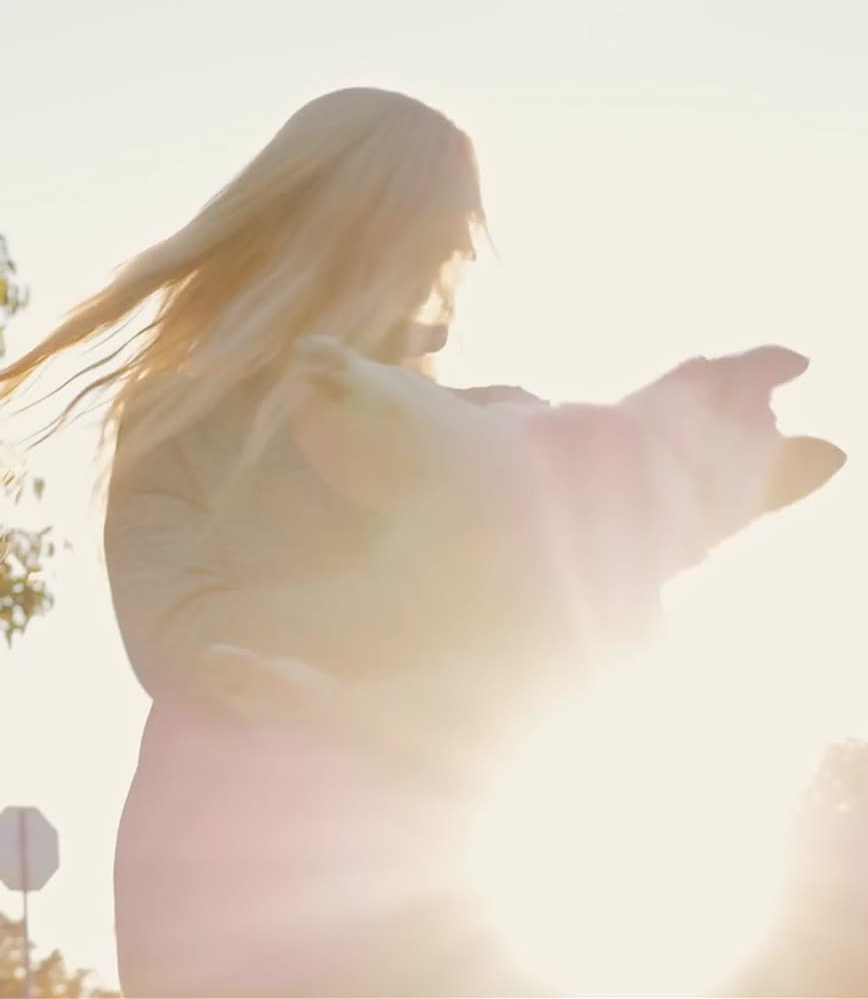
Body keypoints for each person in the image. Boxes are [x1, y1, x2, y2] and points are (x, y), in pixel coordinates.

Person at [0, 88, 534, 996]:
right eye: (442, 227)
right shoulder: (182, 413)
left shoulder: (495, 431)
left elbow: (555, 656)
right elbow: (187, 640)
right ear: (359, 222)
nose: (455, 257)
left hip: (444, 875)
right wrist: (431, 589)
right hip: (224, 880)